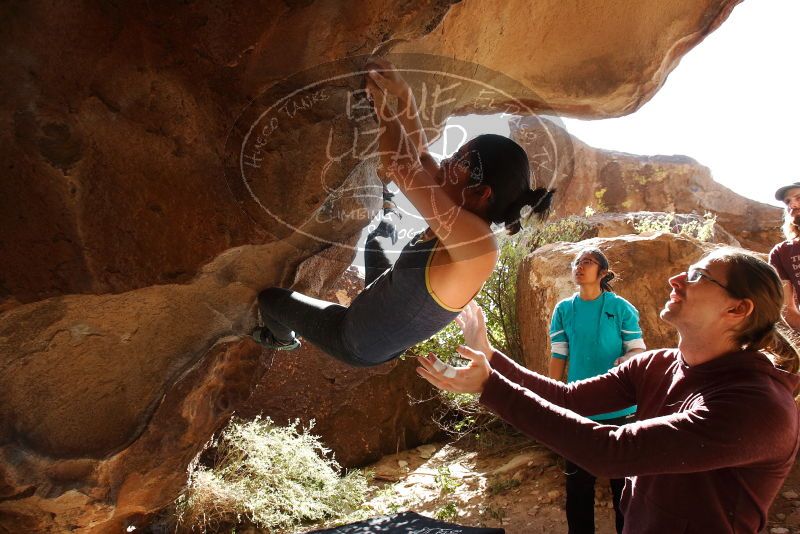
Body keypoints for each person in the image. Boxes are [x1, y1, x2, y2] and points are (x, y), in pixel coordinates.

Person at [419, 248, 800, 533]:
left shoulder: (758, 405)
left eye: (698, 276)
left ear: (737, 310)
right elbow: (568, 398)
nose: (676, 281)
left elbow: (612, 452)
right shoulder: (658, 364)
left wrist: (490, 387)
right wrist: (490, 357)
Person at [253, 59, 554, 366]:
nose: (446, 162)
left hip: (352, 338)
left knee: (271, 301)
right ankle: (389, 212)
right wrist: (404, 95)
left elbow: (403, 166)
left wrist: (381, 105)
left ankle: (281, 340)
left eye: (457, 159)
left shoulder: (478, 248)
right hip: (381, 291)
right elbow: (421, 155)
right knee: (377, 240)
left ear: (480, 192)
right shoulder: (459, 209)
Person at [548, 248, 645, 534]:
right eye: (577, 263)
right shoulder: (564, 309)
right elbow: (559, 356)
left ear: (602, 273)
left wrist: (628, 359)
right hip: (579, 408)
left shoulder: (621, 308)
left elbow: (637, 350)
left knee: (623, 486)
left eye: (587, 262)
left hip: (622, 409)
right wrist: (553, 399)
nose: (579, 266)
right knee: (578, 485)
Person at [769, 181, 800, 330]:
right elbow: (787, 309)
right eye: (788, 202)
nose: (792, 205)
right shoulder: (780, 253)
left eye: (798, 198)